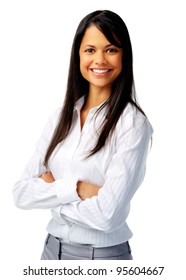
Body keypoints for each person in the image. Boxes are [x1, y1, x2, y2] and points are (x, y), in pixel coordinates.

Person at [13, 10, 153, 260]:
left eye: (110, 50)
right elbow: (21, 194)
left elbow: (108, 215)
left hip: (101, 258)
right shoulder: (60, 118)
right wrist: (80, 189)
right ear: (78, 55)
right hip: (50, 252)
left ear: (124, 56)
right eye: (90, 50)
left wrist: (52, 194)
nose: (99, 59)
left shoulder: (132, 124)